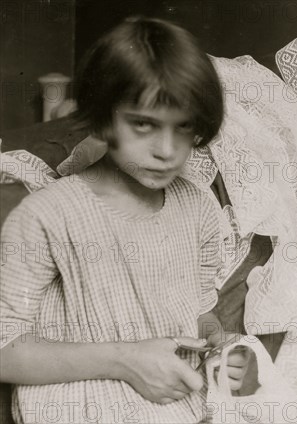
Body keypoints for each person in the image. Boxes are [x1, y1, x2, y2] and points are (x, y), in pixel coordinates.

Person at [0, 17, 247, 424]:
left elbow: (199, 311)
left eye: (183, 127)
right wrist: (125, 360)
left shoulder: (199, 207)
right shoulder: (47, 215)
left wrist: (215, 342)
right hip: (80, 408)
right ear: (102, 118)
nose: (166, 150)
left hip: (178, 406)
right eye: (143, 124)